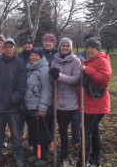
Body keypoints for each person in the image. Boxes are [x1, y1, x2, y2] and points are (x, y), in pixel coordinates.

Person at [0, 38, 27, 167]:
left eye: (10, 46)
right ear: (2, 48)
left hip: (12, 107)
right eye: (6, 46)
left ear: (14, 48)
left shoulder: (20, 63)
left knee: (15, 135)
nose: (8, 49)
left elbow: (22, 85)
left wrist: (13, 100)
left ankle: (18, 156)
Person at [77, 37, 112, 167]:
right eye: (88, 48)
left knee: (85, 132)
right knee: (93, 132)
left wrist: (86, 69)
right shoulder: (90, 61)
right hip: (89, 103)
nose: (89, 50)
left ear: (98, 49)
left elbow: (104, 78)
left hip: (97, 104)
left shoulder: (102, 61)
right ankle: (95, 158)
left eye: (92, 48)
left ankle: (83, 161)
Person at [49, 37, 81, 167]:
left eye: (68, 46)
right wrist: (52, 75)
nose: (65, 48)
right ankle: (65, 153)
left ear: (71, 47)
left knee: (62, 128)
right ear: (60, 47)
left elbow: (75, 79)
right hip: (57, 101)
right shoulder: (55, 61)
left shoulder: (76, 61)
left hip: (70, 103)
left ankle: (65, 156)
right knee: (60, 130)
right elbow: (52, 81)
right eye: (63, 46)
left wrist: (59, 76)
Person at [24, 47, 53, 166]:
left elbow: (47, 89)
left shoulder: (44, 70)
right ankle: (36, 154)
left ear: (41, 57)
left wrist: (43, 107)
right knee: (33, 132)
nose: (34, 57)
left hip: (39, 107)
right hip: (29, 106)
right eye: (32, 55)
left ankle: (43, 156)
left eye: (36, 55)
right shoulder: (29, 68)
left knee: (42, 133)